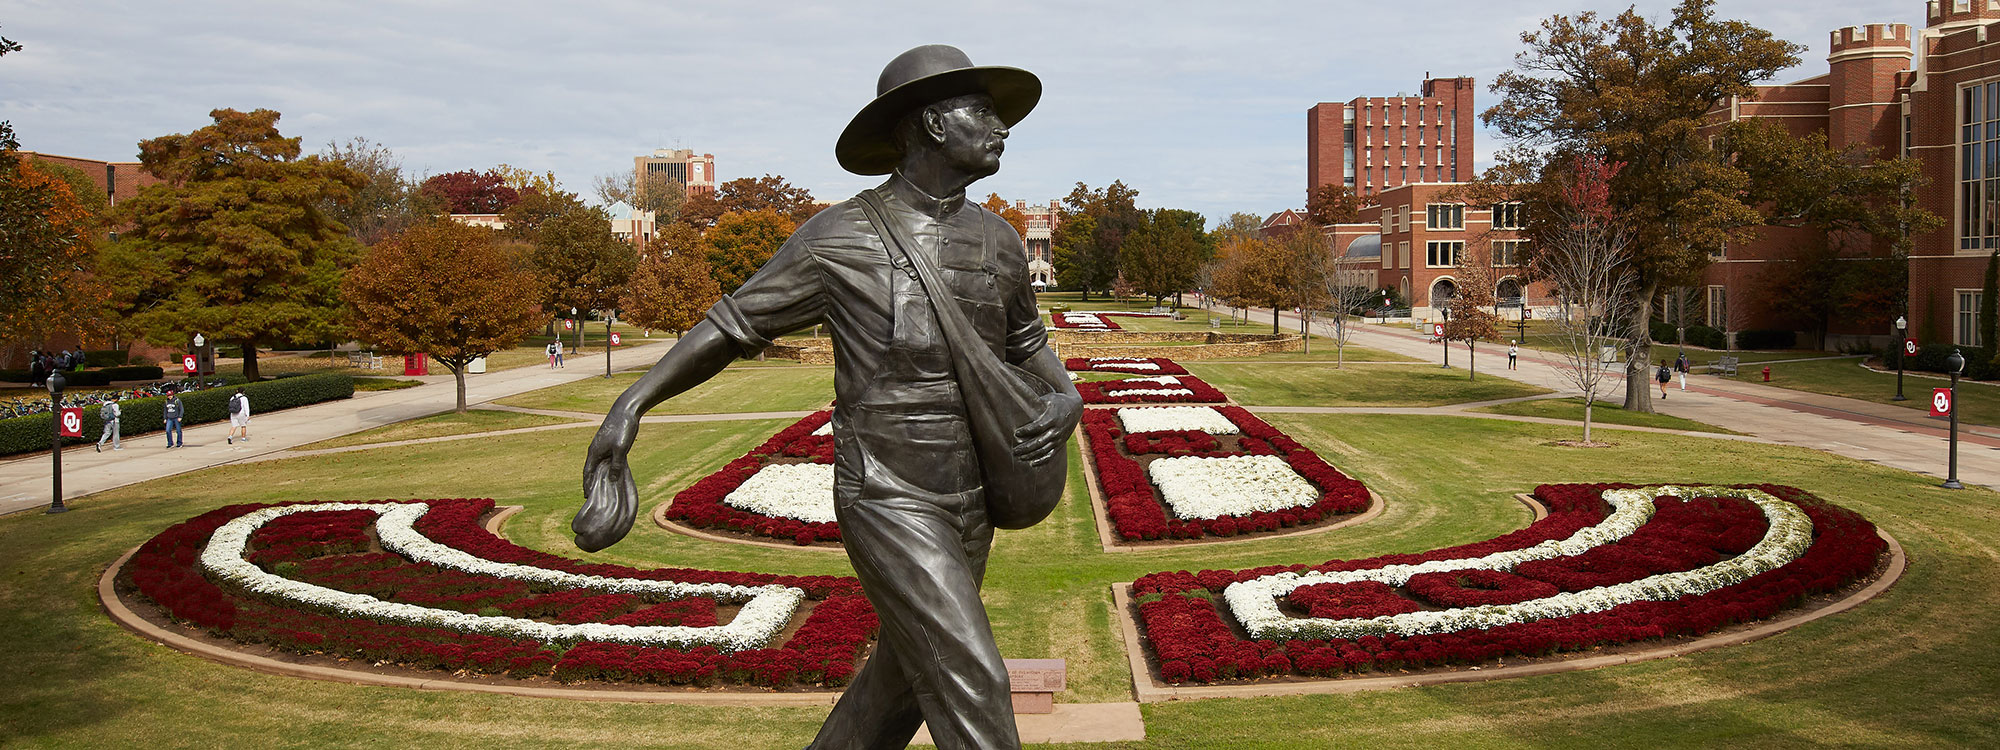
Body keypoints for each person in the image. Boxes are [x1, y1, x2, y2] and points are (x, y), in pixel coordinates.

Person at [572, 45, 1078, 750]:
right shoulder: (838, 239)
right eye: (982, 111)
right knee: (971, 677)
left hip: (972, 494)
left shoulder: (998, 239)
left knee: (901, 681)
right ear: (933, 122)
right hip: (887, 491)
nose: (1002, 127)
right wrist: (631, 404)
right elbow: (733, 324)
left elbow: (1026, 346)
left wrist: (1066, 400)